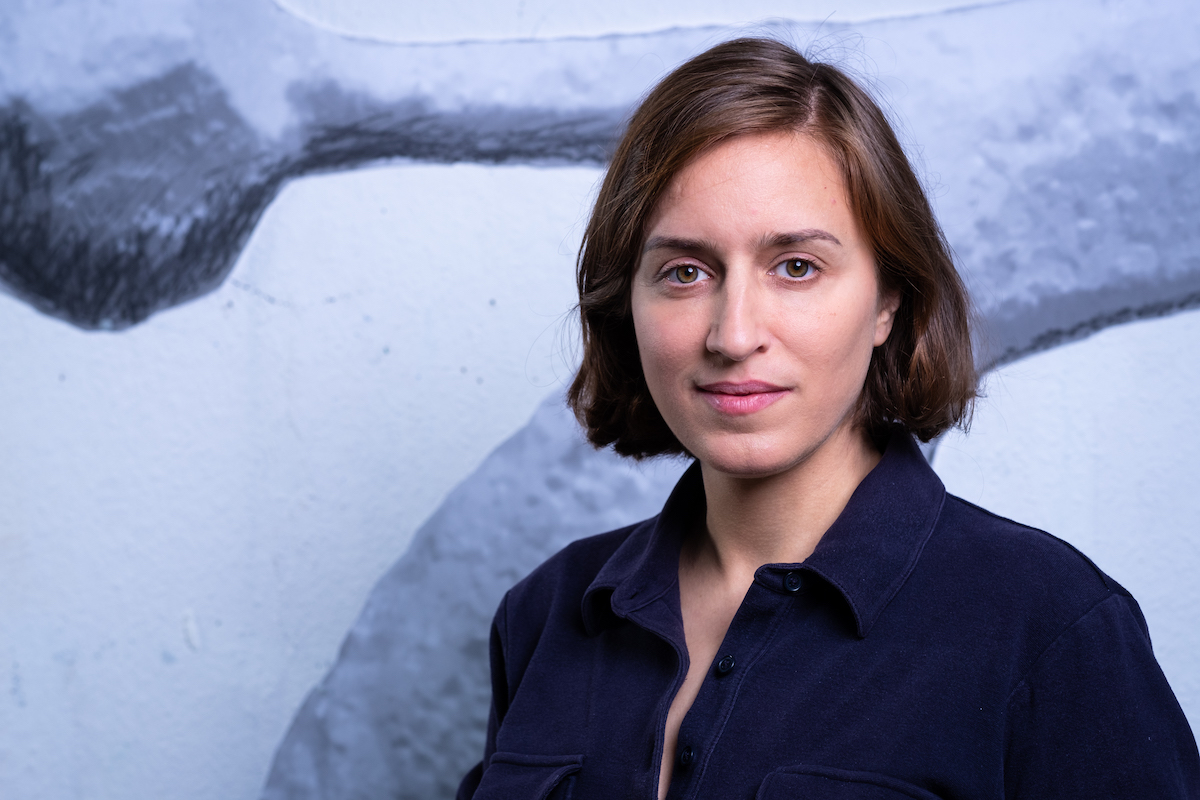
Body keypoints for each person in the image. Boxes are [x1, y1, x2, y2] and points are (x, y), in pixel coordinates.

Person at [457, 37, 1200, 800]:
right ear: (628, 303)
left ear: (887, 302)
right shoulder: (547, 614)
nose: (733, 333)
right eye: (685, 272)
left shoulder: (1047, 626)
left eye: (796, 267)